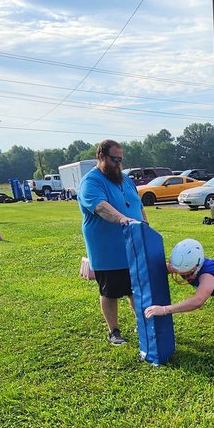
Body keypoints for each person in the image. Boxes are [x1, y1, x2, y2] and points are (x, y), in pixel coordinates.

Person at [77, 140, 148, 344]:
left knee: (135, 288)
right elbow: (100, 206)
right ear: (101, 156)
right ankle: (114, 331)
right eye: (114, 159)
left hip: (133, 246)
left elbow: (138, 204)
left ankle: (142, 323)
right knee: (110, 292)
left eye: (120, 160)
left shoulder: (125, 179)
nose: (118, 163)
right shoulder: (91, 182)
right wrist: (124, 220)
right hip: (107, 250)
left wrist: (144, 225)